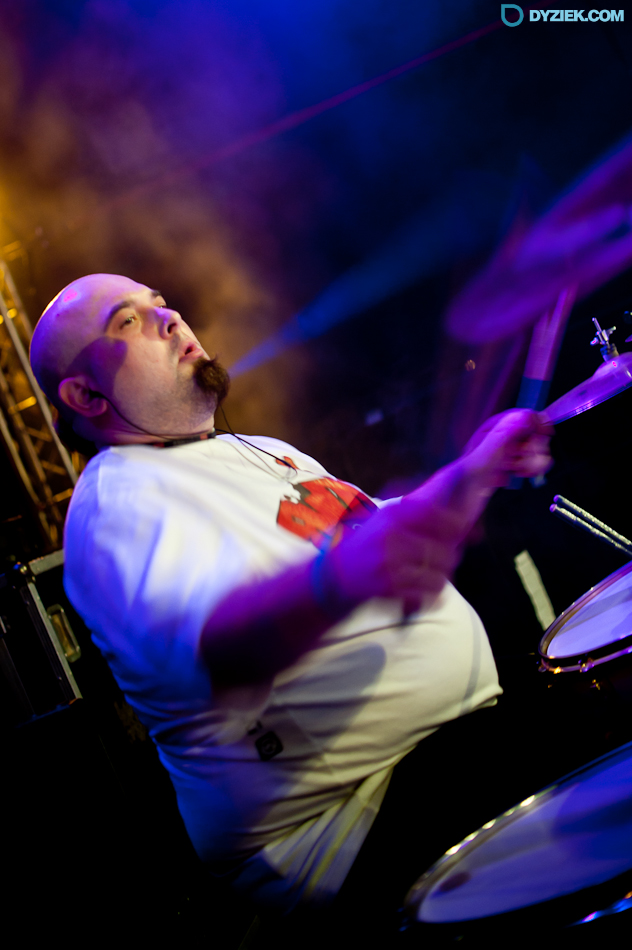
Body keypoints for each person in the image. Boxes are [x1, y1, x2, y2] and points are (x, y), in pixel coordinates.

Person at [29, 274, 551, 926]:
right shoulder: (117, 501)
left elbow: (378, 533)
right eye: (128, 321)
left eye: (160, 303)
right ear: (85, 395)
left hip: (448, 745)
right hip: (360, 818)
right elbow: (214, 652)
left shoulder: (257, 451)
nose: (169, 318)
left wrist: (476, 471)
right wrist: (343, 577)